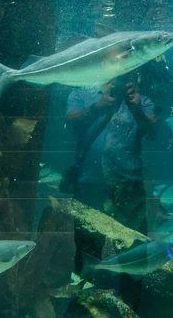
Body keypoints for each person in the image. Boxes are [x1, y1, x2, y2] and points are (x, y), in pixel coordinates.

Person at [66, 71, 156, 234]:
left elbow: (151, 133)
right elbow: (72, 123)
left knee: (133, 248)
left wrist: (136, 110)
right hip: (89, 183)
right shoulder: (81, 94)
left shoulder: (141, 101)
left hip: (129, 186)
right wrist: (98, 107)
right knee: (88, 246)